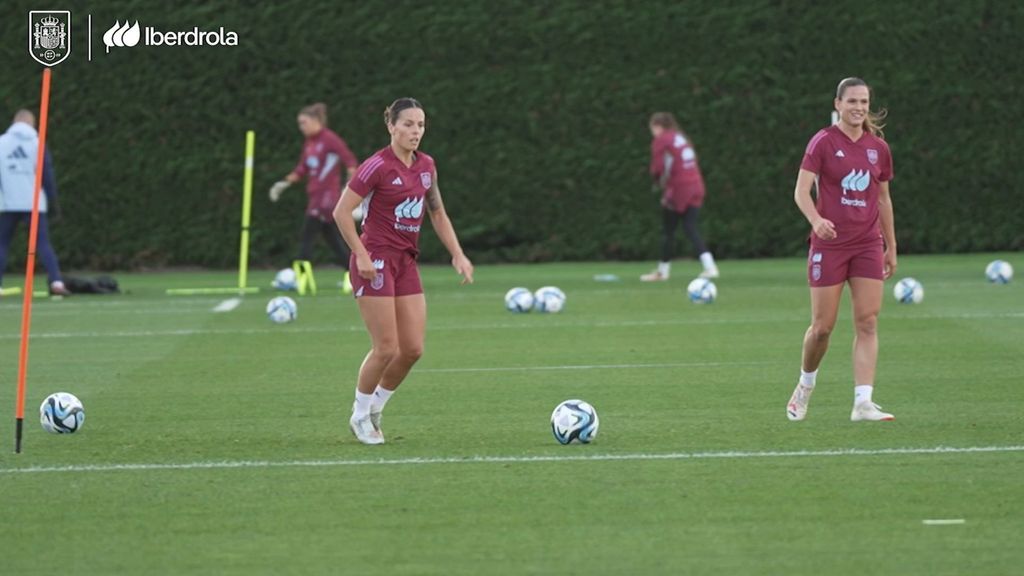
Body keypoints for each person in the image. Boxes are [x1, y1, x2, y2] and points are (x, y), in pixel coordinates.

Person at [333, 97, 474, 445]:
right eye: (408, 124)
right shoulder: (376, 166)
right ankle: (359, 414)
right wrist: (362, 255)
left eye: (421, 125)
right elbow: (341, 212)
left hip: (406, 262)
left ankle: (376, 406)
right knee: (385, 347)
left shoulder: (426, 165)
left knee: (412, 349)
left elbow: (437, 213)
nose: (415, 131)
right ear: (391, 126)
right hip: (376, 261)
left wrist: (458, 254)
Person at [786, 77, 896, 422]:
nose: (858, 108)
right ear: (838, 104)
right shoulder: (822, 142)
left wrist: (890, 246)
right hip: (829, 246)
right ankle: (805, 386)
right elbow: (801, 192)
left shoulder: (878, 148)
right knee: (822, 327)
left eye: (863, 102)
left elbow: (883, 198)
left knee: (868, 321)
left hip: (866, 244)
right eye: (852, 102)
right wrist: (816, 220)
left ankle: (863, 402)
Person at [269, 103, 359, 293]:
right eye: (299, 123)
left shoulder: (330, 139)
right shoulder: (310, 143)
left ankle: (298, 278)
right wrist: (284, 183)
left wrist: (349, 190)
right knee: (333, 239)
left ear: (317, 121)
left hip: (326, 198)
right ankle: (354, 273)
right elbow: (302, 168)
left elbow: (350, 162)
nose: (301, 127)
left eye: (304, 122)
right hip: (315, 196)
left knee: (307, 236)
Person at [641, 112, 718, 281]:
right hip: (697, 185)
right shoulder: (680, 137)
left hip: (679, 189)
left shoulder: (662, 140)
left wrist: (658, 183)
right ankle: (710, 266)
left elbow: (658, 167)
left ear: (657, 127)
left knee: (668, 230)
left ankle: (663, 271)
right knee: (690, 226)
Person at [0, 109, 70, 296]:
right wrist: (53, 199)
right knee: (43, 243)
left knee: (2, 243)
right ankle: (56, 282)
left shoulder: (1, 143)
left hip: (8, 203)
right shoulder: (36, 143)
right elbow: (46, 173)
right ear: (31, 123)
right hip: (34, 204)